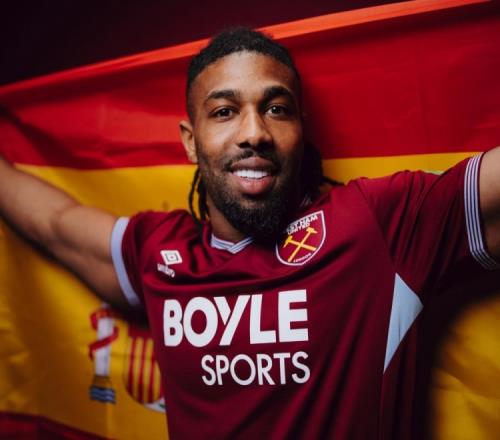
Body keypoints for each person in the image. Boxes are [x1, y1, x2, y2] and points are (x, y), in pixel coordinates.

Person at [0, 27, 499, 439]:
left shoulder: (379, 225)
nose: (255, 132)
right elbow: (55, 223)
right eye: (224, 111)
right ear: (191, 141)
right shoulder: (159, 253)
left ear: (301, 129)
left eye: (277, 109)